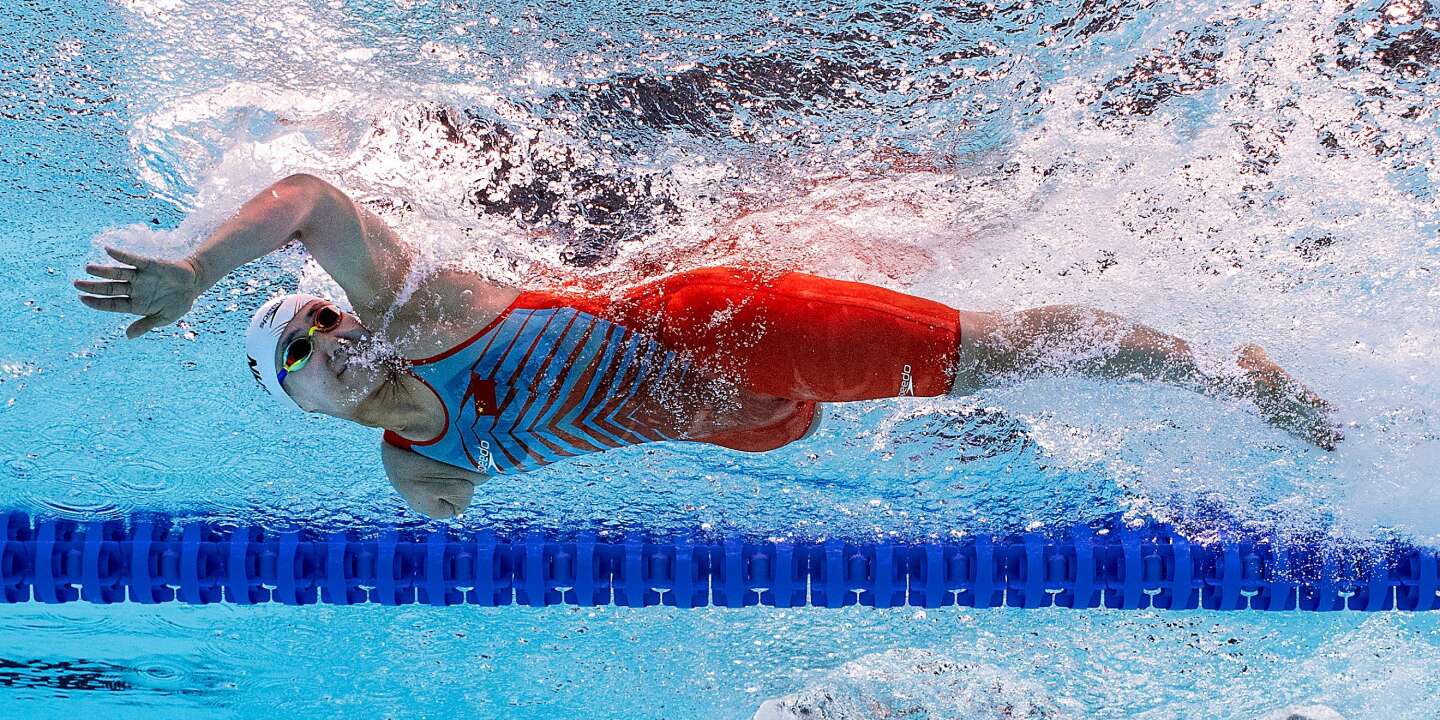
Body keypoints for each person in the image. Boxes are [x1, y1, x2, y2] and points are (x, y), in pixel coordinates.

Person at [75, 174, 1342, 519]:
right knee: (943, 400)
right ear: (300, 409)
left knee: (998, 355)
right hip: (733, 415)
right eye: (297, 352)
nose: (326, 337)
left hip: (731, 331)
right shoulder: (418, 476)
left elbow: (306, 200)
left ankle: (1205, 368)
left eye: (319, 316)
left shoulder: (429, 313)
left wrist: (196, 264)